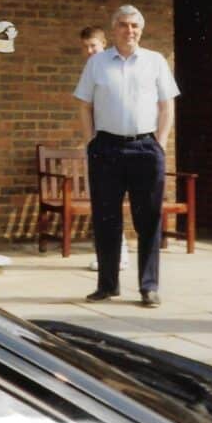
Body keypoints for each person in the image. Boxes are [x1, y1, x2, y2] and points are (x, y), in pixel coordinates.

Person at [74, 5, 179, 308]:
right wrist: (91, 142)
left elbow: (167, 106)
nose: (129, 30)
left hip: (145, 148)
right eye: (123, 25)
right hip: (106, 148)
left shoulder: (155, 61)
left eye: (134, 25)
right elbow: (84, 105)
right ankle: (107, 285)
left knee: (148, 220)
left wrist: (161, 143)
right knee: (106, 218)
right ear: (114, 29)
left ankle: (149, 287)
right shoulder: (97, 63)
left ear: (141, 30)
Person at [78, 26, 130, 272]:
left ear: (104, 44)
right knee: (104, 205)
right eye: (86, 47)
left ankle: (119, 255)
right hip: (101, 145)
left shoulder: (114, 67)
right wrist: (91, 142)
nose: (90, 51)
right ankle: (113, 256)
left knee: (112, 203)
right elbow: (86, 108)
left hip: (121, 143)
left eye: (94, 46)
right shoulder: (92, 71)